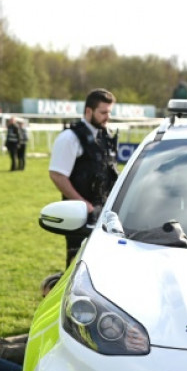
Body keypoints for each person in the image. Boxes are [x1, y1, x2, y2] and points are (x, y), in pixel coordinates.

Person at [48, 88, 119, 267]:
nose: (107, 117)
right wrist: (82, 204)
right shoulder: (69, 138)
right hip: (79, 215)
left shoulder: (106, 137)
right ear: (88, 111)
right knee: (78, 267)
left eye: (109, 112)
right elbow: (57, 175)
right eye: (103, 112)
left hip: (104, 212)